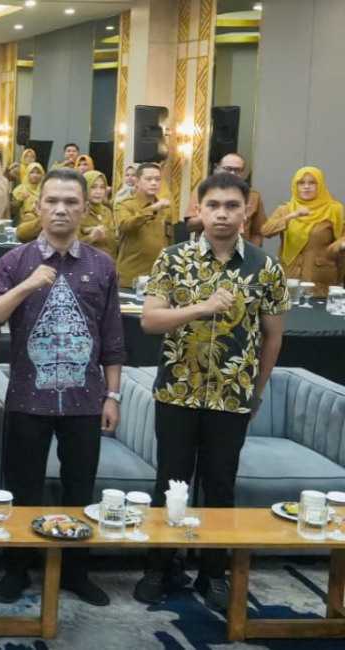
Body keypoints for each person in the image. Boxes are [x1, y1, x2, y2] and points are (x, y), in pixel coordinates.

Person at [133, 172, 289, 613]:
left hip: (232, 396)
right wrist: (200, 308)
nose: (222, 214)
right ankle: (160, 567)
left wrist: (256, 392)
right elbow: (149, 320)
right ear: (198, 210)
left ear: (246, 212)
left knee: (220, 484)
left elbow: (273, 337)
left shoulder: (266, 267)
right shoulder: (173, 258)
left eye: (232, 206)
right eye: (214, 205)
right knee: (171, 481)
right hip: (176, 393)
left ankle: (213, 571)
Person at [0, 168, 125, 607]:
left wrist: (113, 395)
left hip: (86, 400)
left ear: (85, 209)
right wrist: (27, 285)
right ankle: (16, 569)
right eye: (53, 201)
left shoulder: (102, 265)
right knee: (22, 489)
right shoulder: (14, 261)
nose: (61, 209)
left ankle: (76, 572)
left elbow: (113, 338)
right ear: (38, 207)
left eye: (71, 202)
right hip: (28, 398)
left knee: (80, 490)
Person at [259, 167, 344, 297]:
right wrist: (292, 216)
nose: (306, 187)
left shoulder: (333, 209)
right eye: (301, 183)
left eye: (312, 183)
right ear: (295, 185)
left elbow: (342, 236)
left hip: (319, 278)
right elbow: (266, 231)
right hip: (290, 275)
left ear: (320, 185)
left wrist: (338, 246)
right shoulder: (286, 209)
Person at [115, 162, 177, 288]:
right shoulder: (124, 205)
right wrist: (152, 209)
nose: (154, 183)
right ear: (137, 182)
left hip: (159, 277)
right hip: (132, 277)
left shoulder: (165, 208)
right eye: (148, 179)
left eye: (158, 179)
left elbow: (170, 241)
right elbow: (124, 226)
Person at [184, 154, 266, 247]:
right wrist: (212, 216)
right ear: (217, 169)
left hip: (241, 250)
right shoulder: (203, 191)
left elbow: (257, 233)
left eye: (238, 170)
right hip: (206, 248)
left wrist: (252, 253)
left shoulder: (254, 196)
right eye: (228, 169)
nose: (232, 173)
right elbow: (190, 226)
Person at [81, 170, 117, 259]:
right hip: (88, 264)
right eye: (93, 187)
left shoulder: (107, 212)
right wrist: (91, 237)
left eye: (102, 187)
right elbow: (69, 247)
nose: (99, 192)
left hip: (109, 263)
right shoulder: (78, 213)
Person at [12, 162, 46, 240]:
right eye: (32, 172)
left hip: (43, 226)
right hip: (25, 225)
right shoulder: (20, 190)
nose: (35, 175)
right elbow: (12, 211)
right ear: (27, 174)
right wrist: (20, 200)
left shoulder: (46, 189)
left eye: (38, 173)